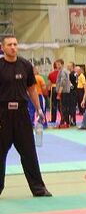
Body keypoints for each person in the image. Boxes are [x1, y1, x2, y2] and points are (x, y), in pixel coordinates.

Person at [0, 35, 51, 197]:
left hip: (22, 114)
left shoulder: (26, 65)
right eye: (9, 44)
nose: (13, 47)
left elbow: (32, 89)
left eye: (15, 44)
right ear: (2, 47)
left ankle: (39, 188)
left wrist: (39, 109)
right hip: (2, 114)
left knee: (29, 152)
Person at [55, 59, 71, 128]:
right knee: (64, 107)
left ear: (62, 64)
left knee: (63, 108)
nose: (57, 66)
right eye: (56, 64)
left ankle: (64, 122)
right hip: (65, 92)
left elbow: (62, 82)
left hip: (63, 92)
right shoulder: (64, 71)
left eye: (59, 64)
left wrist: (59, 93)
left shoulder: (63, 71)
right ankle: (66, 122)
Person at [67, 62, 78, 126]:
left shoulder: (71, 74)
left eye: (69, 66)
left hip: (72, 92)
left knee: (72, 107)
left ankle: (72, 120)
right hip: (74, 91)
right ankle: (73, 120)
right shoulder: (75, 73)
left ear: (72, 67)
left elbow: (72, 85)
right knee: (72, 107)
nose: (68, 67)